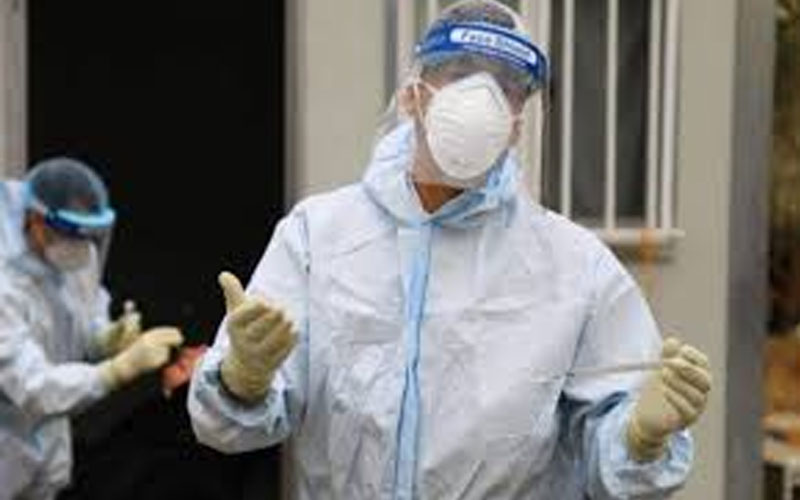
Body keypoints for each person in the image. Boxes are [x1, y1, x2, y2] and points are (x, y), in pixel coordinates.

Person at [188, 1, 712, 498]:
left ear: (518, 123)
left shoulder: (576, 269)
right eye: (460, 74)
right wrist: (243, 379)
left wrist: (640, 439)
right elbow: (228, 428)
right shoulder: (319, 237)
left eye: (506, 87)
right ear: (414, 94)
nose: (481, 99)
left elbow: (615, 466)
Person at [0, 157, 184, 500]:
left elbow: (83, 318)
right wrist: (115, 371)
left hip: (46, 456)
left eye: (87, 236)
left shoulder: (75, 253)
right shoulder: (5, 282)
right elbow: (32, 387)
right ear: (36, 221)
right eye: (71, 235)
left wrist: (105, 338)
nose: (81, 247)